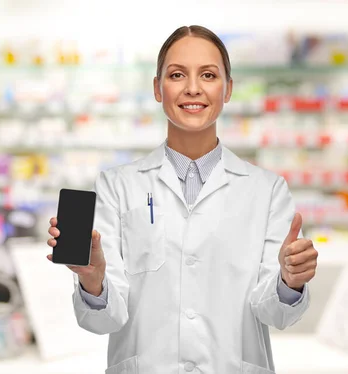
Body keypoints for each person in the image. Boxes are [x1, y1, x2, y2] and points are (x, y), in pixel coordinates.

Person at [47, 25, 318, 374]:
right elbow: (104, 321)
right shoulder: (117, 186)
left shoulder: (267, 191)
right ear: (158, 89)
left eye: (208, 75)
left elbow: (275, 314)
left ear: (228, 89)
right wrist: (93, 277)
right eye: (177, 75)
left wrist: (289, 280)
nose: (193, 88)